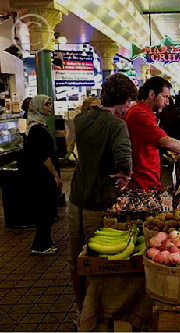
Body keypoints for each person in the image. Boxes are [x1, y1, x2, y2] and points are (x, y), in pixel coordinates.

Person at [68, 73, 136, 313]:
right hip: (100, 200)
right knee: (97, 261)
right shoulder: (117, 124)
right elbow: (123, 157)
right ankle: (94, 313)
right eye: (129, 101)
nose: (129, 107)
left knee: (77, 257)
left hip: (76, 198)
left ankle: (79, 310)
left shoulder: (82, 119)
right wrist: (124, 175)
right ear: (124, 100)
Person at [124, 76, 180, 191]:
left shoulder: (145, 112)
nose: (167, 102)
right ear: (152, 94)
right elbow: (165, 141)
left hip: (148, 177)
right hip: (142, 181)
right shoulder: (139, 114)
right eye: (164, 97)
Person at [17, 95, 60, 255]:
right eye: (46, 104)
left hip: (41, 174)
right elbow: (44, 156)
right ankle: (40, 245)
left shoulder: (37, 126)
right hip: (42, 175)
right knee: (45, 209)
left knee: (46, 209)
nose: (49, 107)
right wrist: (55, 174)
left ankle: (45, 241)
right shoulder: (37, 129)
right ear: (37, 107)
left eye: (50, 104)